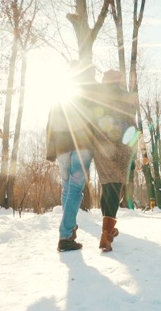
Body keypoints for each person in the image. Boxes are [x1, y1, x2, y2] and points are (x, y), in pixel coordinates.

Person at [45, 63, 98, 252]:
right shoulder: (92, 93)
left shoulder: (63, 92)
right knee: (75, 189)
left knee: (67, 189)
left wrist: (50, 150)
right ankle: (66, 234)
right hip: (82, 146)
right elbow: (98, 121)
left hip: (62, 147)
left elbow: (51, 121)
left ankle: (69, 229)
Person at [91, 69, 137, 252]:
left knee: (107, 187)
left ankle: (107, 230)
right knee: (115, 189)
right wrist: (132, 154)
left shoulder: (96, 97)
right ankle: (106, 235)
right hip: (121, 148)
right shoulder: (126, 97)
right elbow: (133, 125)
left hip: (101, 148)